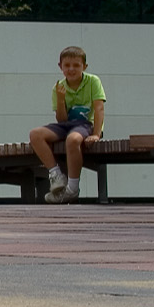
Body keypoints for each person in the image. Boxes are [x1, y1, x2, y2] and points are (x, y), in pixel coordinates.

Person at [30, 45, 105, 204]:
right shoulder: (58, 87)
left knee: (73, 140)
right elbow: (62, 120)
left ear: (84, 66)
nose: (71, 69)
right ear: (61, 67)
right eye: (67, 65)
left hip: (86, 124)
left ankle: (72, 188)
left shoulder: (93, 81)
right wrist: (60, 99)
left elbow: (99, 108)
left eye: (76, 65)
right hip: (67, 125)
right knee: (35, 134)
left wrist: (96, 134)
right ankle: (56, 175)